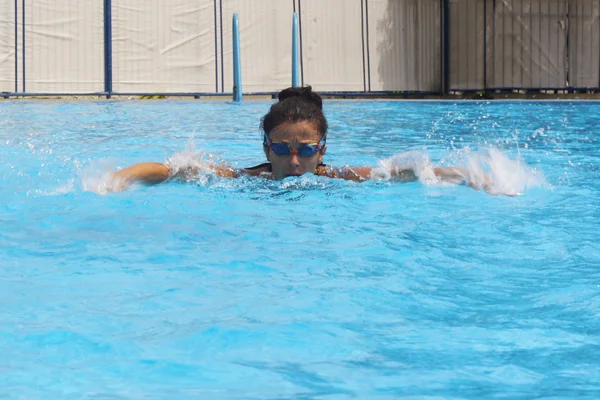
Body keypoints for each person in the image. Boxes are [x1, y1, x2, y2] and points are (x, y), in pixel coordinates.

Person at [110, 86, 493, 193]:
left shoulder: (338, 177)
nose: (294, 163)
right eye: (282, 150)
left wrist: (465, 175)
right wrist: (123, 176)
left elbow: (403, 172)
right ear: (267, 149)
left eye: (306, 151)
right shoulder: (248, 178)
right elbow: (178, 169)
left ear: (321, 150)